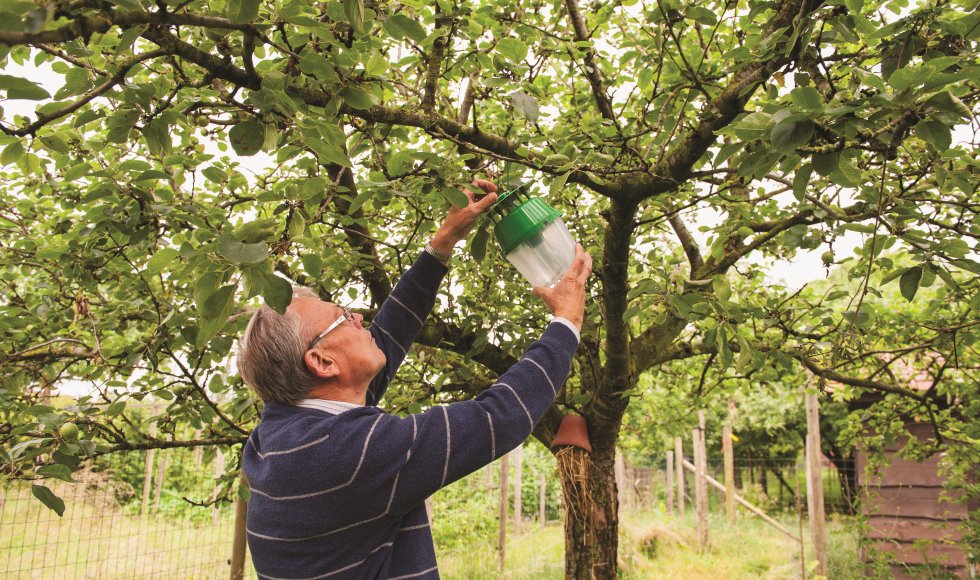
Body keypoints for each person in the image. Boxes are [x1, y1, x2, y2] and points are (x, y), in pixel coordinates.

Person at [237, 179, 592, 579]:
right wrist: (567, 320)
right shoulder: (349, 454)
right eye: (344, 318)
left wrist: (441, 243)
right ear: (322, 361)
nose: (359, 318)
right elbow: (499, 418)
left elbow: (384, 341)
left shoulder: (280, 435)